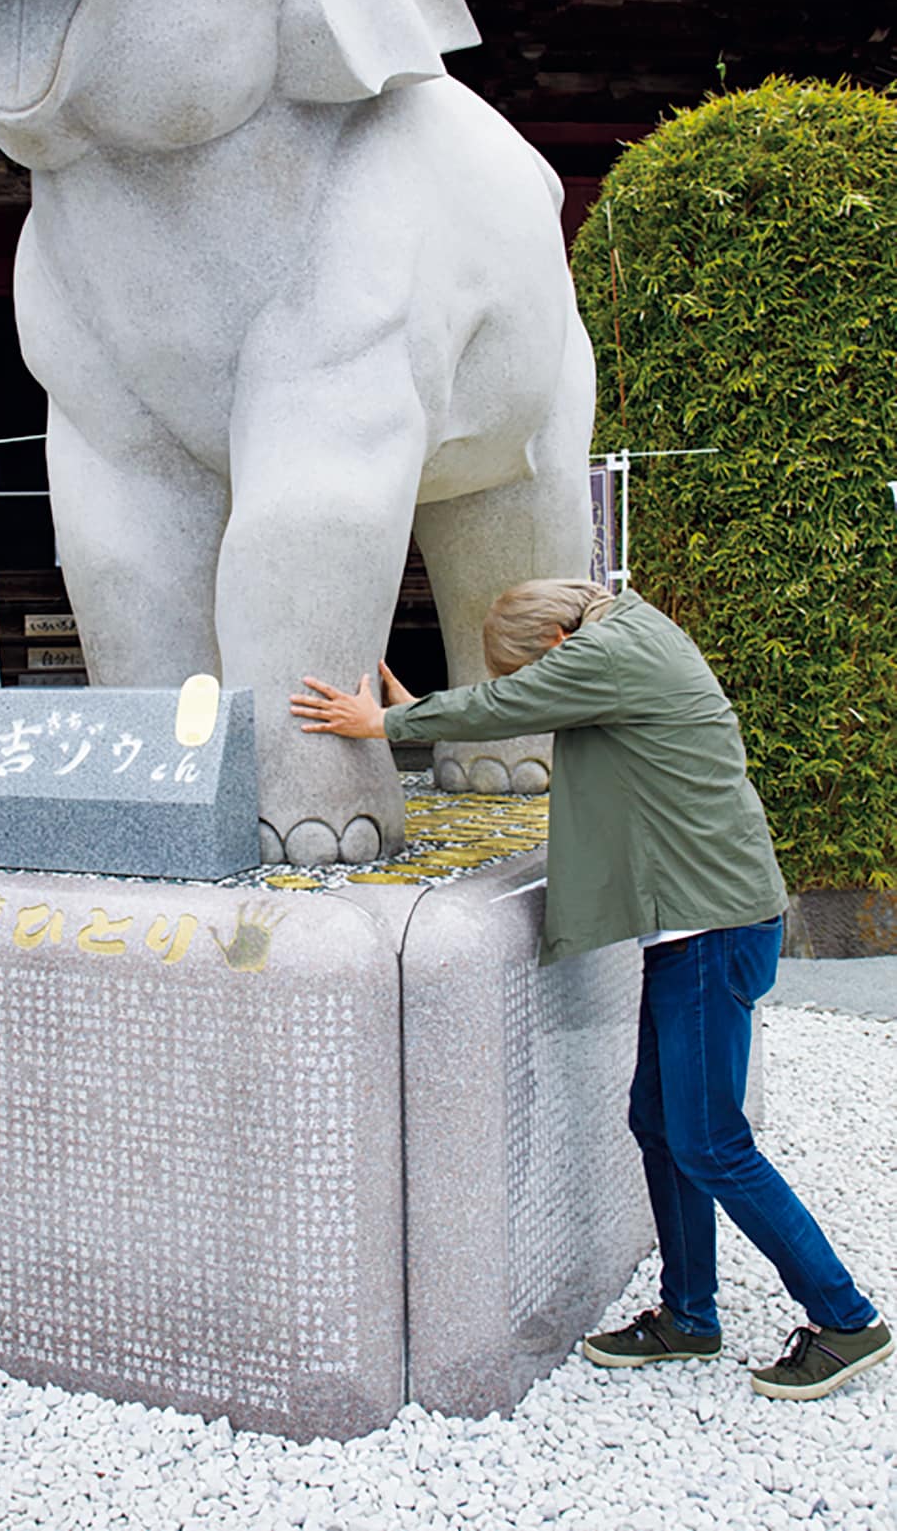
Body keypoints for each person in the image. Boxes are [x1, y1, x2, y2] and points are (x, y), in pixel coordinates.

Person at [290, 578, 890, 1401]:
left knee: (711, 1139)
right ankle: (689, 1315)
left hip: (710, 928)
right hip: (700, 923)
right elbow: (523, 697)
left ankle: (846, 1317)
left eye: (535, 665)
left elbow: (517, 702)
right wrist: (432, 704)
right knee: (658, 1118)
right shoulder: (624, 635)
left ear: (554, 644)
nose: (542, 679)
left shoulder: (609, 651)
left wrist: (389, 724)